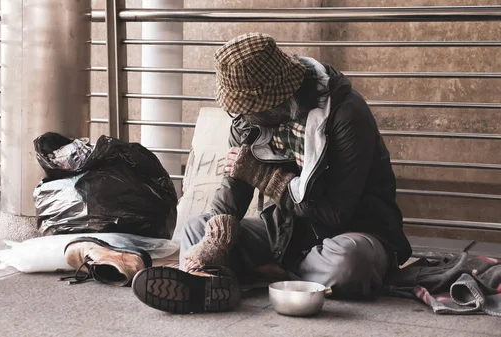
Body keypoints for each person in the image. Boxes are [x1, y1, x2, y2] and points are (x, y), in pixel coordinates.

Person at [132, 32, 412, 314]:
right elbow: (232, 191)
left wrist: (264, 177)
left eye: (248, 109)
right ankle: (210, 281)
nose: (241, 117)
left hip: (353, 232)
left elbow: (335, 213)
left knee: (350, 264)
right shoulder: (248, 122)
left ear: (276, 100)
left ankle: (256, 274)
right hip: (287, 232)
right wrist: (215, 240)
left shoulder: (346, 115)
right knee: (199, 229)